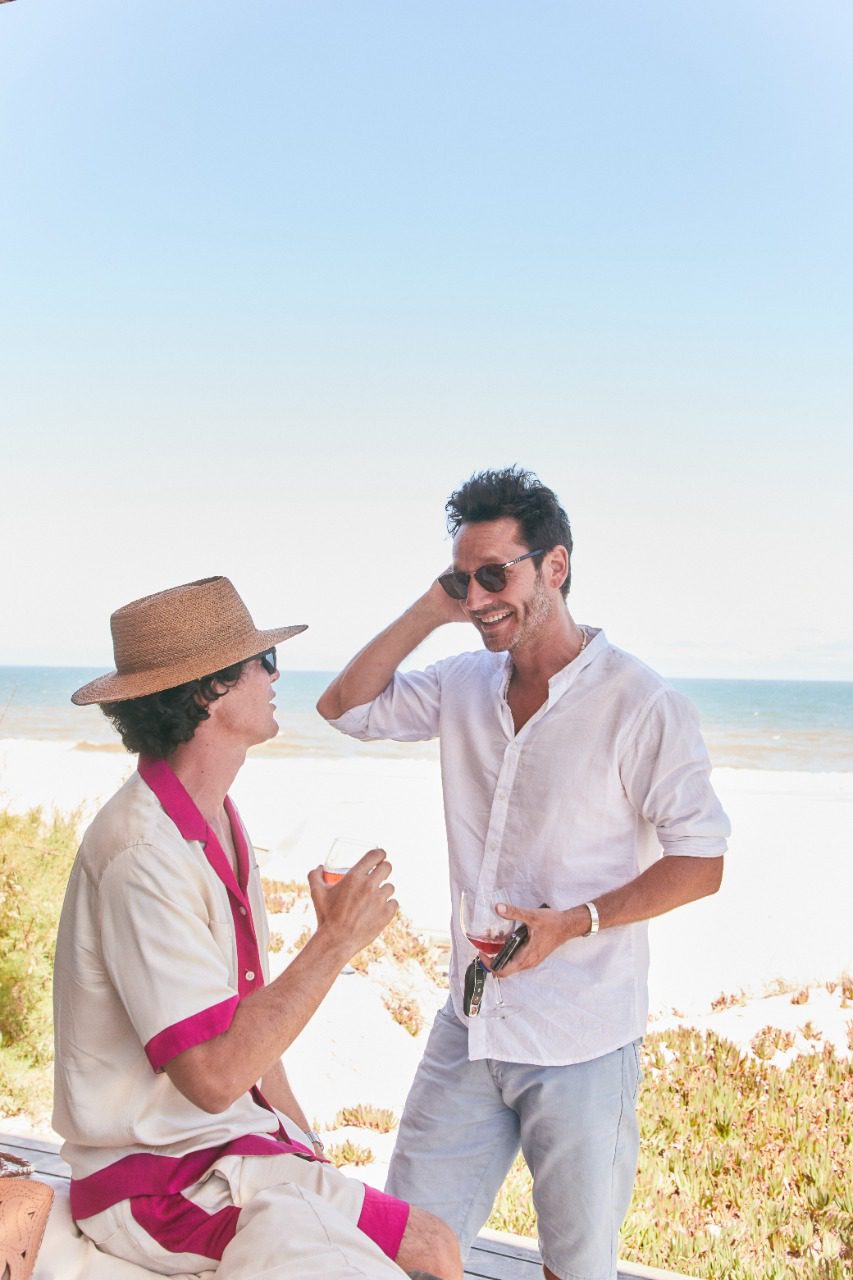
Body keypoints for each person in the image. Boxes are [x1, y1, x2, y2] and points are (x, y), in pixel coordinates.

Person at [317, 468, 729, 1280]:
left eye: (493, 575)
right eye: (461, 580)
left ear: (555, 567)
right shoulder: (461, 683)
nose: (476, 599)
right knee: (402, 1249)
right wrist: (430, 608)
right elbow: (346, 708)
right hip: (469, 1023)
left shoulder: (640, 704)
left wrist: (575, 922)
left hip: (581, 1039)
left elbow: (701, 862)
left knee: (573, 1267)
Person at [53, 575, 461, 1280]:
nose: (276, 676)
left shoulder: (211, 818)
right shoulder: (142, 853)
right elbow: (213, 1077)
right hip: (159, 1183)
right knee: (426, 1250)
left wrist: (301, 1139)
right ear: (207, 693)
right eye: (263, 662)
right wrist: (334, 941)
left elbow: (244, 1019)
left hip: (226, 1151)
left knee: (434, 1245)